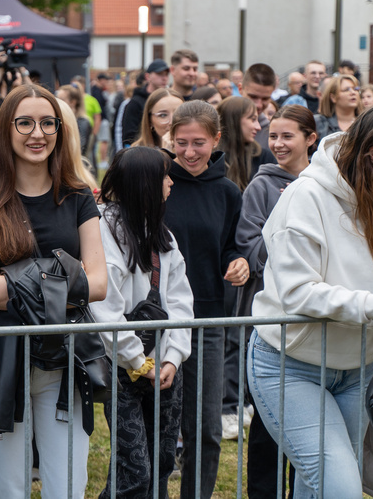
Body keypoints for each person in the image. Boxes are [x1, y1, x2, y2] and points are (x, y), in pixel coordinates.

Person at [248, 104, 373, 498]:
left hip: (356, 367)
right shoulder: (306, 196)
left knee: (316, 484)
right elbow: (297, 292)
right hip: (288, 365)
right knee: (339, 485)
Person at [0, 84, 107, 498]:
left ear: (61, 130)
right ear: (7, 130)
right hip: (1, 355)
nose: (37, 133)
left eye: (48, 122)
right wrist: (65, 273)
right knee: (8, 487)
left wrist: (21, 279)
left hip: (66, 355)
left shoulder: (79, 196)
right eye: (24, 122)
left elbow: (98, 283)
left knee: (68, 485)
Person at [91, 146, 193, 499]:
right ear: (144, 182)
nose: (170, 182)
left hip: (164, 366)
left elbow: (180, 301)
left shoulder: (162, 234)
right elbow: (106, 308)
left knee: (163, 460)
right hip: (123, 367)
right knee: (133, 471)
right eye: (164, 175)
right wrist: (138, 362)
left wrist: (172, 359)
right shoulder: (104, 230)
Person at [164, 100, 248, 499]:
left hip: (208, 320)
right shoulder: (158, 182)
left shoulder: (228, 191)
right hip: (157, 320)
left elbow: (230, 246)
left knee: (205, 428)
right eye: (181, 143)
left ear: (216, 139)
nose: (190, 152)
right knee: (158, 425)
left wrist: (237, 263)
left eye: (199, 143)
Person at [237, 104, 317, 497]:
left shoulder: (324, 185)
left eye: (288, 136)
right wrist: (289, 253)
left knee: (306, 428)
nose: (279, 144)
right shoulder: (262, 186)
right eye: (274, 136)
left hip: (313, 318)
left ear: (310, 139)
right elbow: (249, 247)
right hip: (272, 317)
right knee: (269, 422)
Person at [216, 96, 275, 192]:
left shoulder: (263, 158)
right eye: (253, 119)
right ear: (234, 121)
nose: (258, 127)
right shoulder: (212, 160)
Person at [118, 59, 171, 148]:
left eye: (166, 74)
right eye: (159, 74)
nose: (164, 78)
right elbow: (128, 136)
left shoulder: (169, 99)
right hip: (142, 153)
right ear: (147, 76)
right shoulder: (135, 102)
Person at [314, 74, 363, 139]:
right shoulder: (319, 123)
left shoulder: (366, 123)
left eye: (356, 89)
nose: (353, 92)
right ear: (333, 97)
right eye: (346, 90)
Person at [56, 84, 92, 154]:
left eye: (62, 99)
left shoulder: (82, 122)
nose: (58, 102)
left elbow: (80, 148)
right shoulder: (59, 119)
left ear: (73, 102)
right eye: (57, 98)